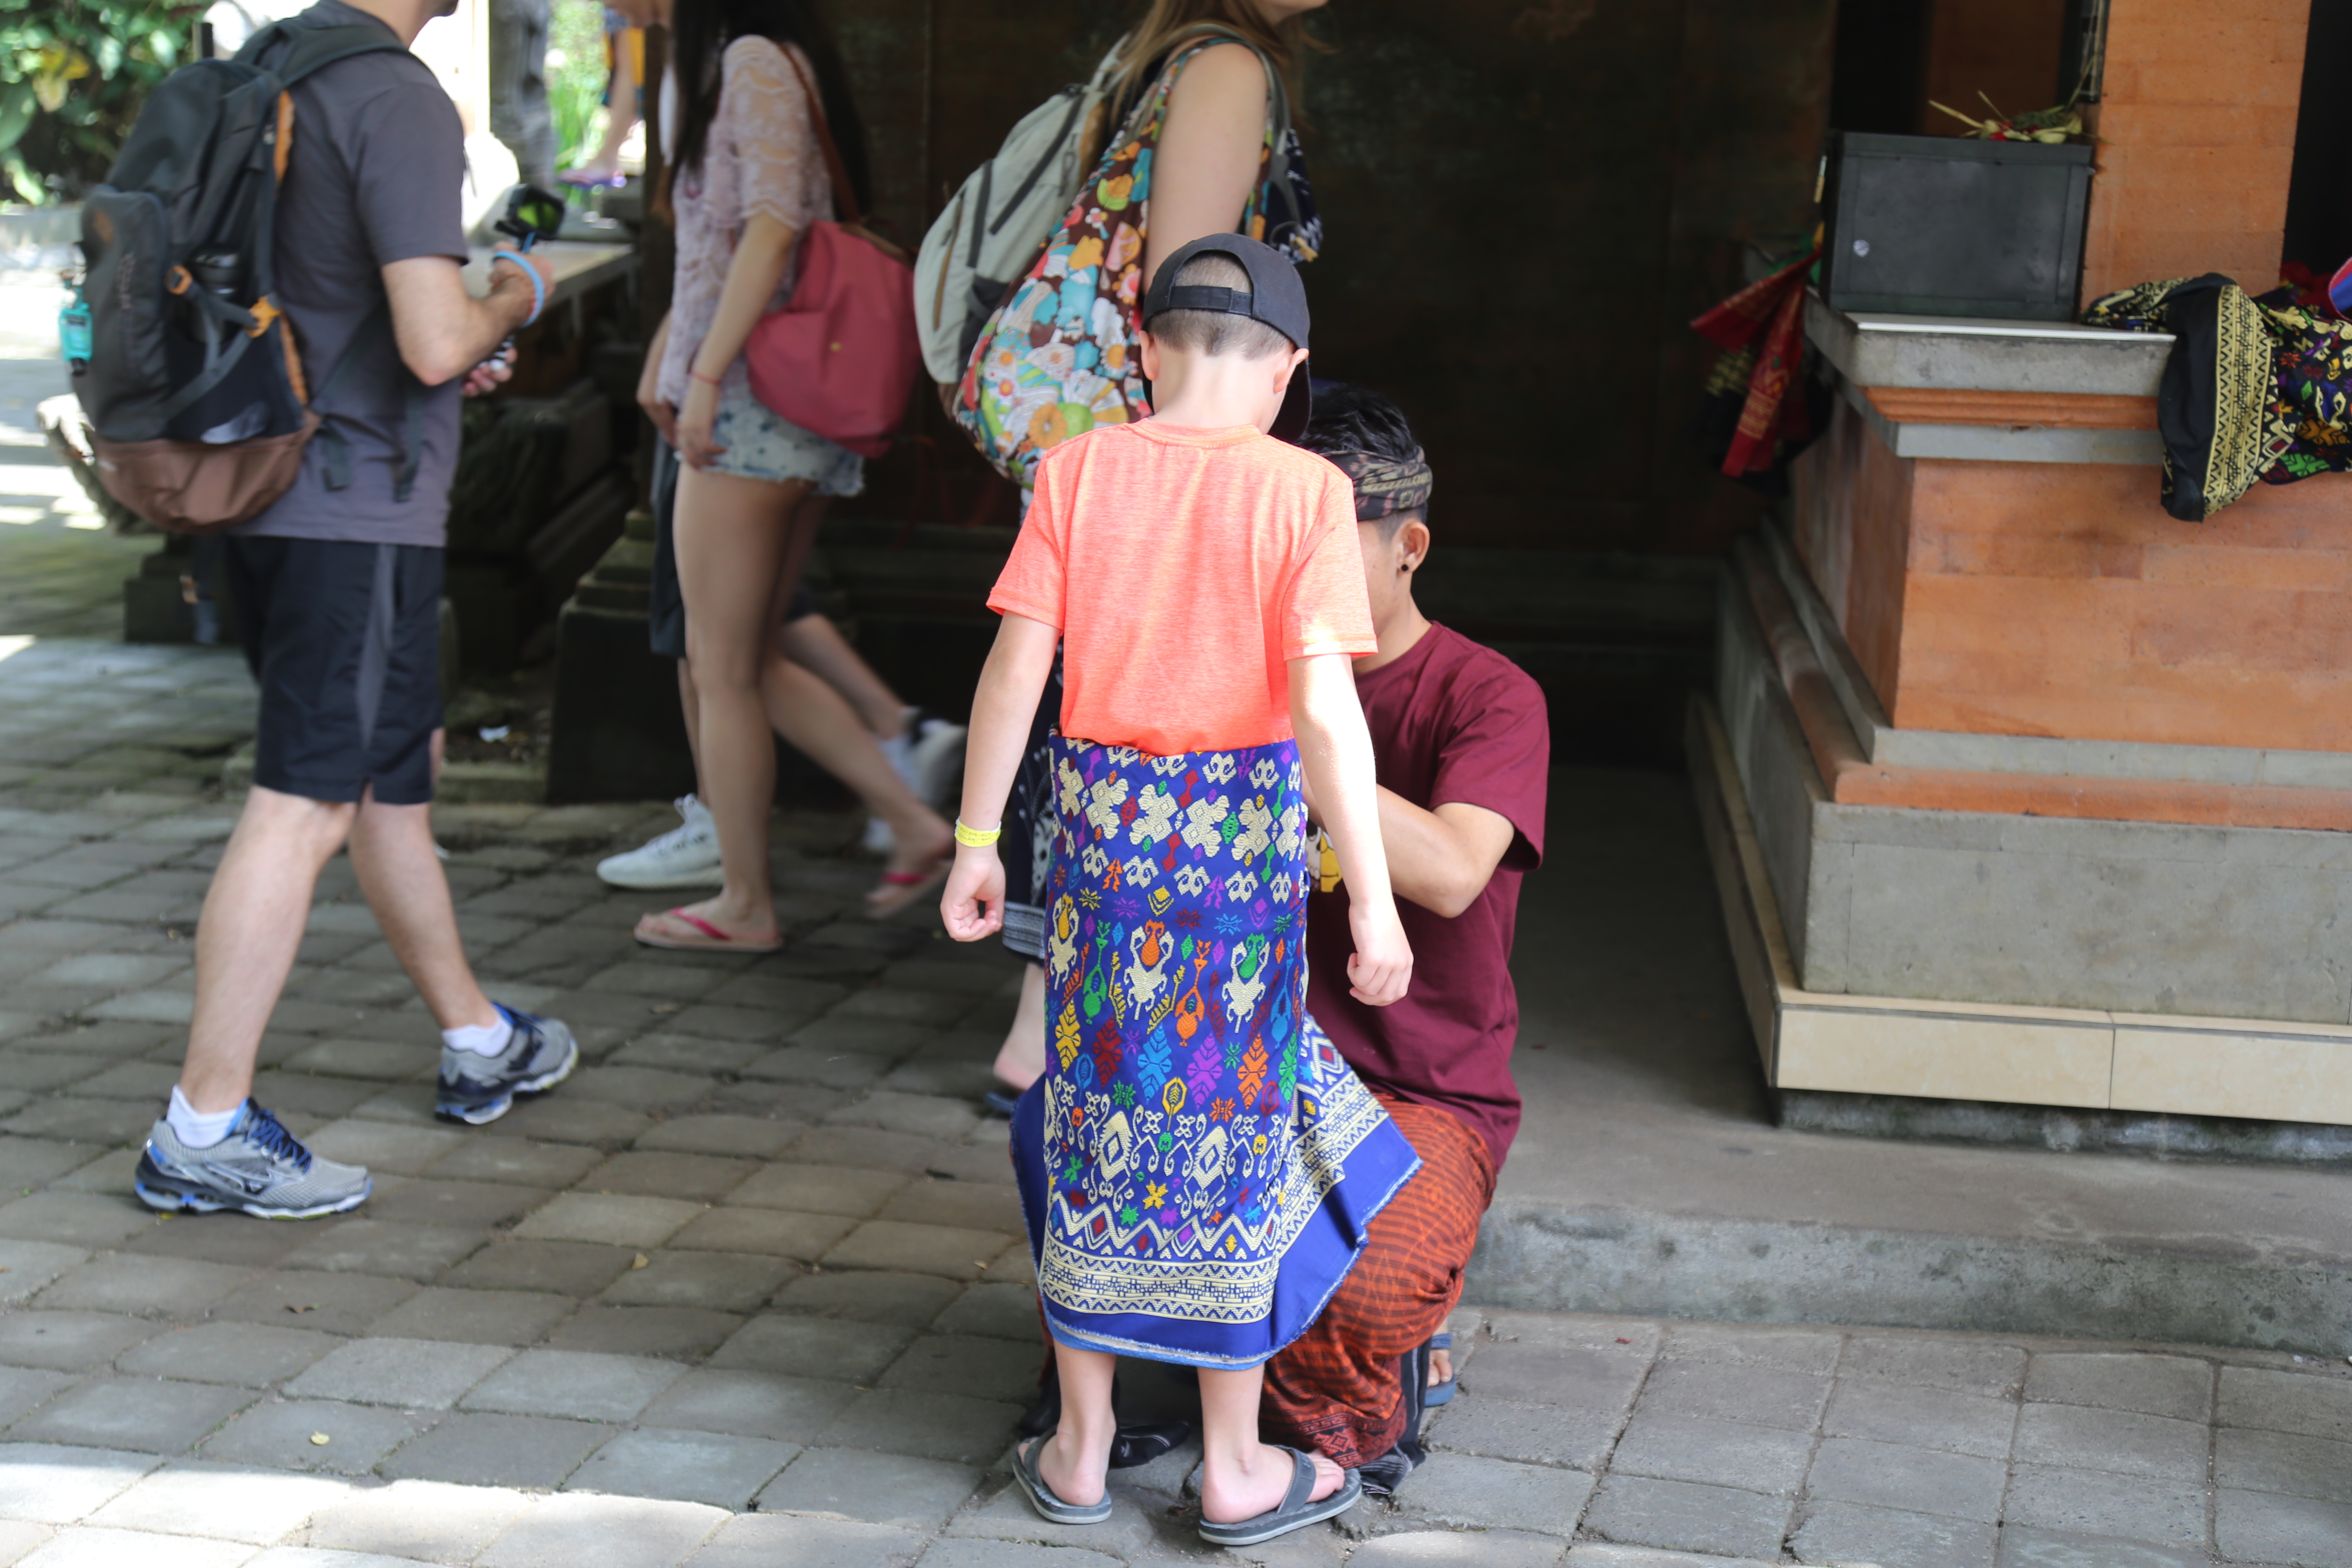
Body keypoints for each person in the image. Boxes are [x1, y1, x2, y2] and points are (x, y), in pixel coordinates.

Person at [942, 235, 1414, 1547]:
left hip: (1100, 860)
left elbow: (1009, 677)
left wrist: (980, 841)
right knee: (1236, 1137)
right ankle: (1231, 1465)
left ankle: (1083, 1447)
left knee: (1092, 1124)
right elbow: (1325, 712)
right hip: (1240, 879)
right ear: (1286, 372)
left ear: (1146, 352)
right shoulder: (1307, 493)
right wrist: (1372, 900)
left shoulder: (1078, 471)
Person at [134, 0, 576, 1221]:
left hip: (264, 482)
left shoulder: (274, 66)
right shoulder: (397, 95)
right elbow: (436, 341)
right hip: (353, 506)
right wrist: (516, 293)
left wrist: (443, 332)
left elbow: (344, 302)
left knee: (390, 774)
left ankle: (479, 1038)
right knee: (306, 799)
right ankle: (204, 1126)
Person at [981, 0, 1329, 1112]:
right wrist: (1193, 465)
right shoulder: (1226, 67)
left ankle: (1049, 1021)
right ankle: (1052, 1026)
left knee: (1072, 703)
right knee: (1114, 722)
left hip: (1107, 438)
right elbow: (1192, 281)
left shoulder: (1175, 53)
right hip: (1154, 447)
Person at [1260, 386, 1550, 1491]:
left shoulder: (1488, 697)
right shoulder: (1237, 670)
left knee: (1361, 1287)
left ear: (1407, 545)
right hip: (1241, 1064)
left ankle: (1355, 1393)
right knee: (1063, 1148)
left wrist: (1300, 717)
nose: (1289, 581)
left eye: (1319, 549)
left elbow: (1445, 870)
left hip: (1421, 1096)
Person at [631, 0, 951, 951]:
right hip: (755, 398)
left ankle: (744, 904)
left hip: (752, 405)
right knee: (743, 656)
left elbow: (773, 231)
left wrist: (701, 375)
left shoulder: (754, 63)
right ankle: (910, 816)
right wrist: (673, 359)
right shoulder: (746, 62)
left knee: (720, 665)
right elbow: (712, 252)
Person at [597, 436, 965, 908]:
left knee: (728, 660)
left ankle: (742, 889)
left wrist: (703, 374)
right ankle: (900, 747)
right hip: (797, 425)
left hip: (734, 426)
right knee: (748, 641)